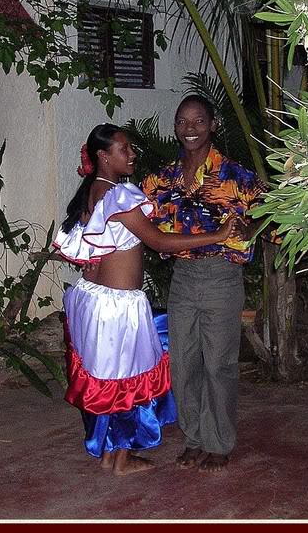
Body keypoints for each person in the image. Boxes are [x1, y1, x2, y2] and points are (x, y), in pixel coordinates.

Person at [53, 123, 238, 476]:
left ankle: (111, 454)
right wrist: (218, 234)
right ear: (103, 157)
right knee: (123, 382)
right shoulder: (119, 197)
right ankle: (120, 460)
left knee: (107, 380)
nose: (132, 154)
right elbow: (159, 242)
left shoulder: (93, 192)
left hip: (96, 300)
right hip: (117, 307)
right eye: (124, 149)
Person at [142, 95, 267, 473]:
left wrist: (252, 226)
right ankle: (194, 438)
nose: (190, 128)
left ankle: (218, 442)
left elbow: (274, 215)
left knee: (219, 365)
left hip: (221, 278)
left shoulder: (236, 177)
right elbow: (134, 216)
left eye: (198, 121)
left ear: (213, 125)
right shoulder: (162, 179)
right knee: (182, 365)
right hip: (183, 279)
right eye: (182, 121)